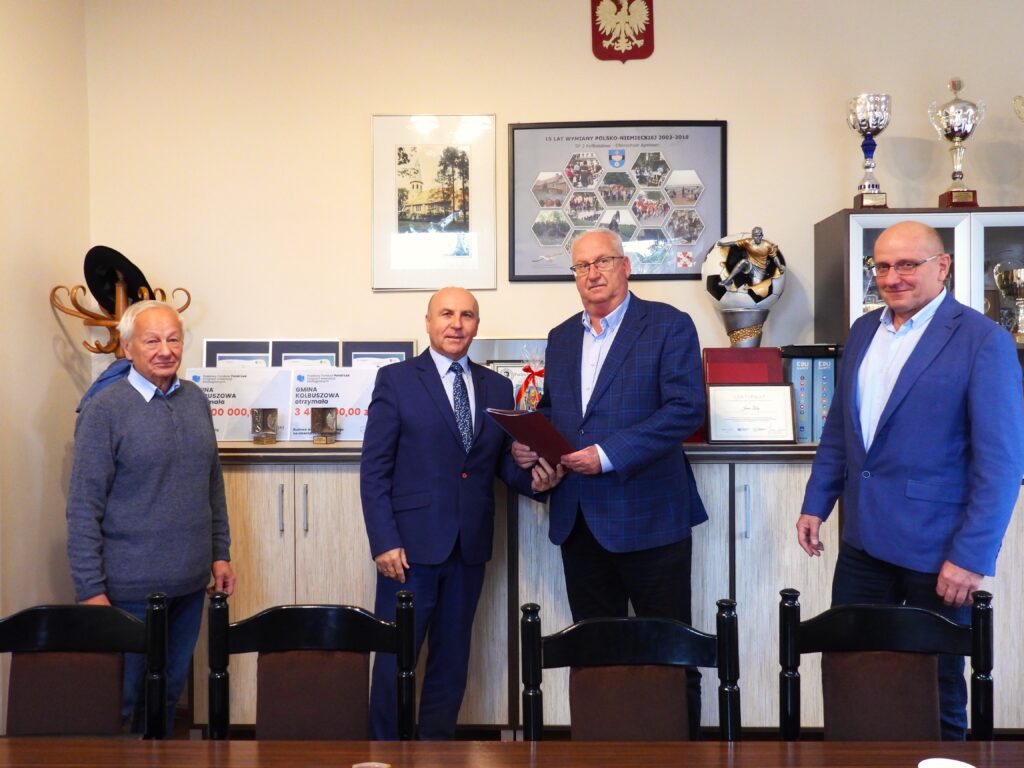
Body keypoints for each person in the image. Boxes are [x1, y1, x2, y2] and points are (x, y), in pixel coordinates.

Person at [797, 220, 1024, 740]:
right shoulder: (863, 331)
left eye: (907, 264)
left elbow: (1002, 464)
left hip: (937, 550)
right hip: (861, 542)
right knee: (853, 672)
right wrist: (817, 502)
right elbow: (840, 429)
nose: (892, 277)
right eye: (881, 266)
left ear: (942, 267)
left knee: (936, 684)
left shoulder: (982, 340)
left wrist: (971, 557)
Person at [511, 228, 707, 734]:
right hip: (580, 520)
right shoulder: (561, 337)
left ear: (626, 266)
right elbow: (555, 411)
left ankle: (680, 755)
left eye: (603, 261)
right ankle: (602, 752)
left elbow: (685, 408)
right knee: (594, 653)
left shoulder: (668, 325)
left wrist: (607, 455)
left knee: (669, 650)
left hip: (650, 516)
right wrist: (529, 443)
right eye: (582, 266)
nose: (593, 273)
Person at [361, 287, 561, 740]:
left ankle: (436, 750)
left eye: (467, 315)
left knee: (452, 661)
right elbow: (374, 469)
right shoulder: (396, 380)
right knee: (395, 658)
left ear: (476, 325)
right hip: (408, 550)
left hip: (469, 546)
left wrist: (534, 481)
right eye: (446, 314)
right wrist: (384, 541)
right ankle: (386, 750)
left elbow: (498, 464)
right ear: (428, 322)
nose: (456, 324)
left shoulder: (498, 386)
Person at [66, 300, 235, 736]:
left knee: (165, 700)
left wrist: (220, 554)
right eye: (152, 340)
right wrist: (90, 591)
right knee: (119, 704)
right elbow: (83, 506)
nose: (165, 350)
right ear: (127, 348)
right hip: (126, 594)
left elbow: (212, 484)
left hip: (189, 587)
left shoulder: (195, 400)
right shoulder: (105, 409)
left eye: (173, 339)